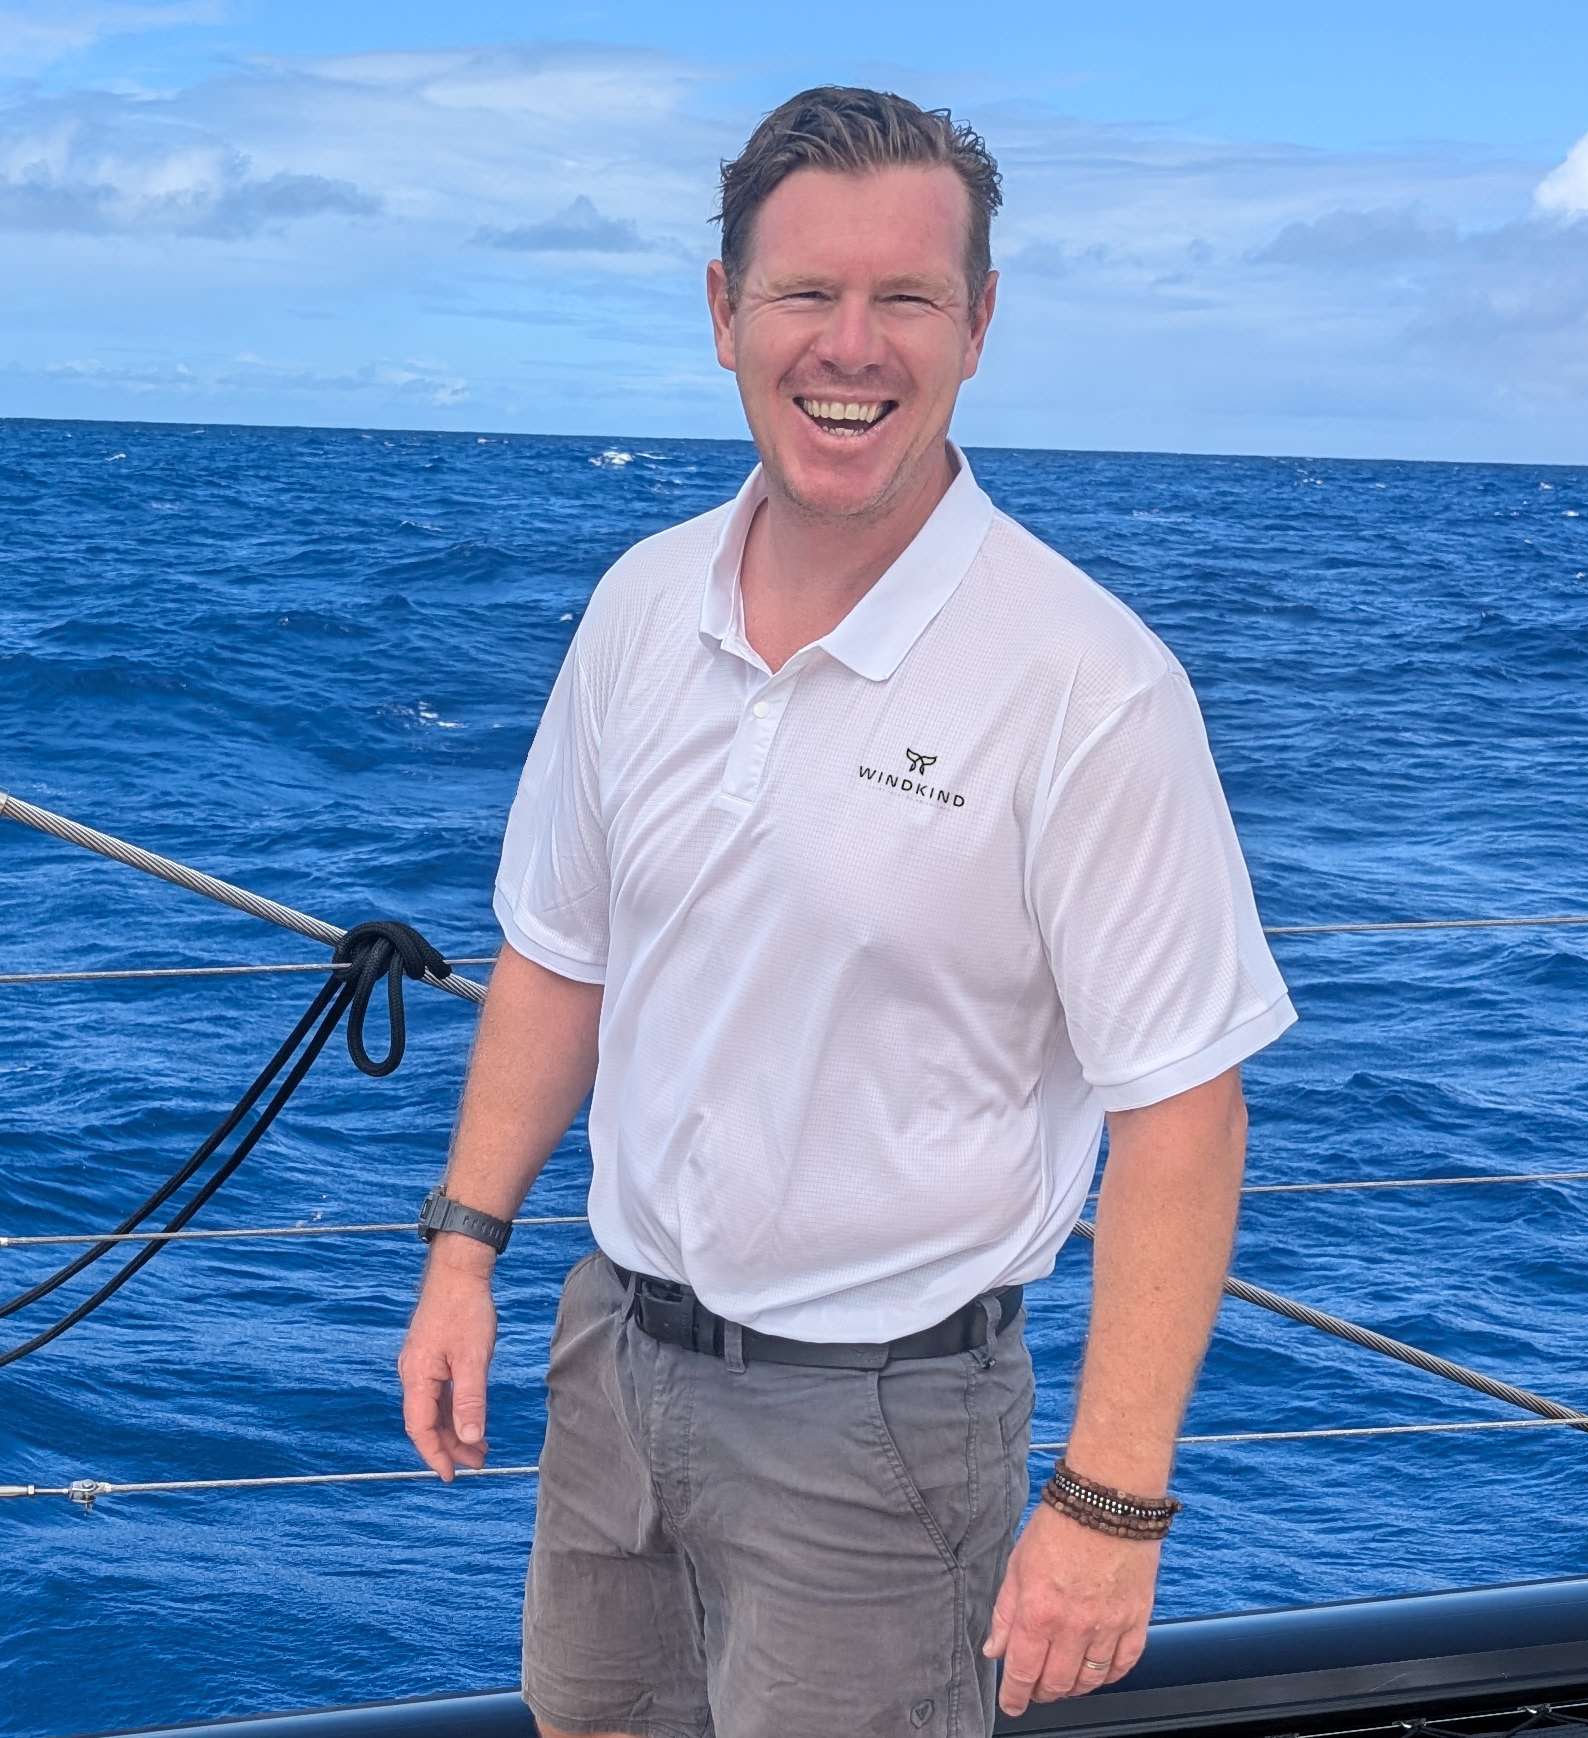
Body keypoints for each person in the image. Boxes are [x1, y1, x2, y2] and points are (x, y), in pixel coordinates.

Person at [398, 83, 1296, 1738]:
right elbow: (561, 956)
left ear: (980, 326)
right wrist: (466, 1247)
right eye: (807, 291)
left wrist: (1109, 1505)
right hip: (613, 1353)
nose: (853, 347)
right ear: (724, 312)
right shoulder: (639, 602)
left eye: (909, 298)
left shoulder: (1088, 684)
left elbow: (1184, 1110)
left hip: (883, 1429)